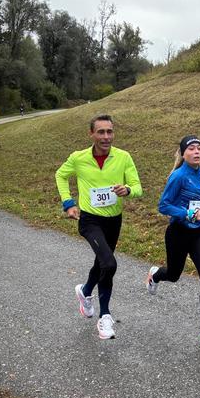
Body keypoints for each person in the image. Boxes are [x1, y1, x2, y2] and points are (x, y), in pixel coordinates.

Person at [55, 114, 142, 339]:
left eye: (109, 131)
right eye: (101, 132)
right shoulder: (78, 158)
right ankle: (105, 317)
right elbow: (61, 175)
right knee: (109, 264)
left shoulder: (123, 157)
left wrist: (127, 190)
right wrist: (68, 203)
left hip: (114, 220)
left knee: (102, 262)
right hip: (90, 220)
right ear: (91, 134)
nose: (106, 137)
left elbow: (137, 187)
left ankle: (85, 291)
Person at [146, 135, 200, 342]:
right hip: (178, 233)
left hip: (198, 232)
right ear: (183, 153)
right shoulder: (178, 176)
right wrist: (189, 214)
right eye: (191, 148)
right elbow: (164, 206)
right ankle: (155, 275)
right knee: (173, 275)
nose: (196, 151)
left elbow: (194, 201)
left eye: (199, 148)